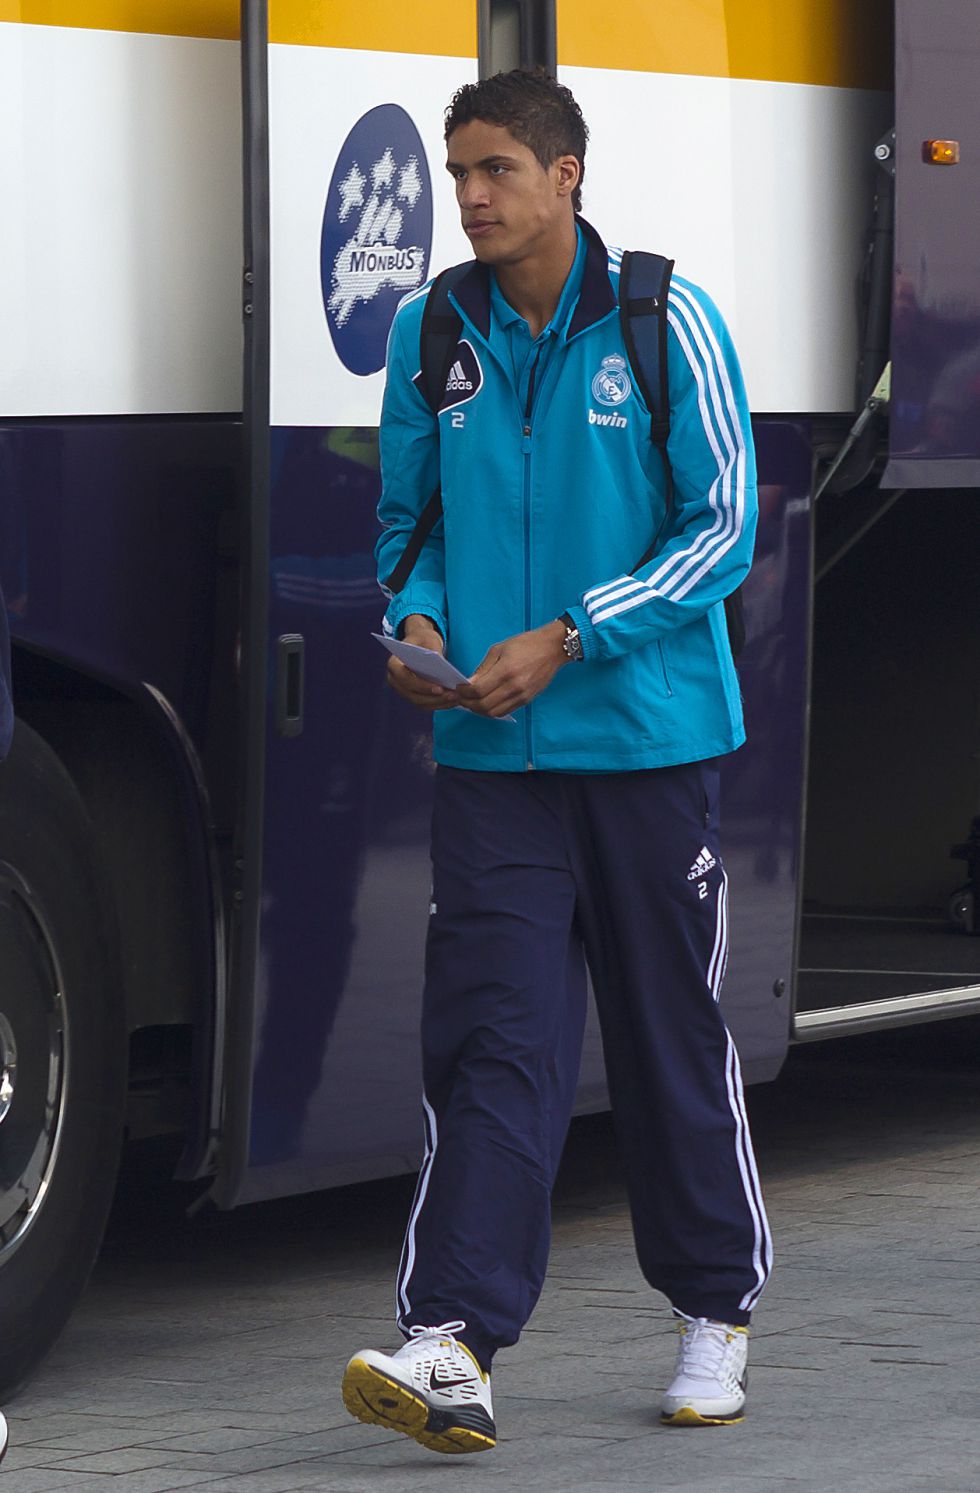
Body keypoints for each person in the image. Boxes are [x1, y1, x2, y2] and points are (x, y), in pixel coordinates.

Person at [342, 69, 772, 1455]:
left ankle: (713, 1310)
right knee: (493, 1041)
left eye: (496, 171)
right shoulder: (431, 330)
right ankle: (453, 1340)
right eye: (458, 172)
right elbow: (407, 524)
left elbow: (725, 526)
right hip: (490, 759)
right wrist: (417, 623)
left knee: (666, 1038)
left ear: (565, 176)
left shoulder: (665, 318)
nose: (469, 197)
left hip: (646, 745)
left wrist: (576, 633)